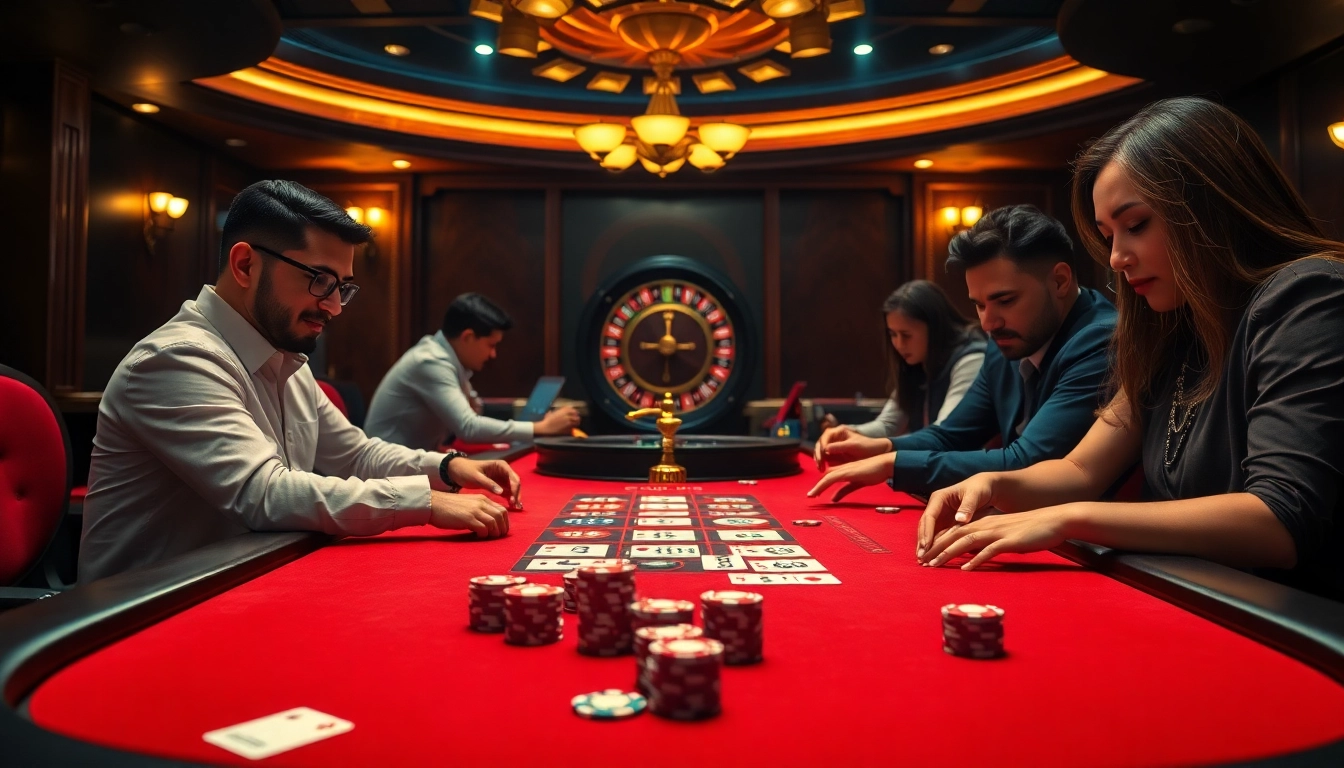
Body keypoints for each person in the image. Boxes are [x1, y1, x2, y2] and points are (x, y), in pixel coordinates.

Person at [914, 97, 1344, 600]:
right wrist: (993, 484)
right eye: (1108, 234)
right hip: (1191, 600)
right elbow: (1080, 469)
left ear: (1212, 207)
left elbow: (1278, 520)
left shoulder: (1310, 296)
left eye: (1136, 225)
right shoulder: (1172, 328)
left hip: (1296, 631)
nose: (1117, 257)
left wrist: (1068, 519)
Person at [80, 181, 520, 583]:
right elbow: (264, 492)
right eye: (320, 281)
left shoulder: (286, 357)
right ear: (246, 264)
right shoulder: (177, 359)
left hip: (240, 580)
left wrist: (446, 468)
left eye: (342, 287)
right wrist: (425, 502)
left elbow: (355, 453)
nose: (334, 306)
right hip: (139, 616)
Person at [808, 205, 1116, 500]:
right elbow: (951, 435)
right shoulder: (1006, 341)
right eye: (979, 304)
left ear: (1060, 281)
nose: (988, 322)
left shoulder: (1100, 339)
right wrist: (880, 446)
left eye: (1005, 300)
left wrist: (894, 463)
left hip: (1092, 544)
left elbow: (1028, 462)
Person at [364, 293, 580, 450]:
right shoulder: (430, 361)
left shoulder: (449, 360)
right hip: (386, 476)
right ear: (468, 337)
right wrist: (541, 427)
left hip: (411, 462)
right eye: (491, 345)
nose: (493, 354)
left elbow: (472, 413)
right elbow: (469, 428)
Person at [815, 280, 986, 448]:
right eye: (893, 334)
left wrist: (879, 446)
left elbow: (942, 434)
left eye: (906, 335)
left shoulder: (971, 359)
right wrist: (846, 433)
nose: (898, 344)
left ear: (935, 328)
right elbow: (887, 425)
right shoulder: (917, 361)